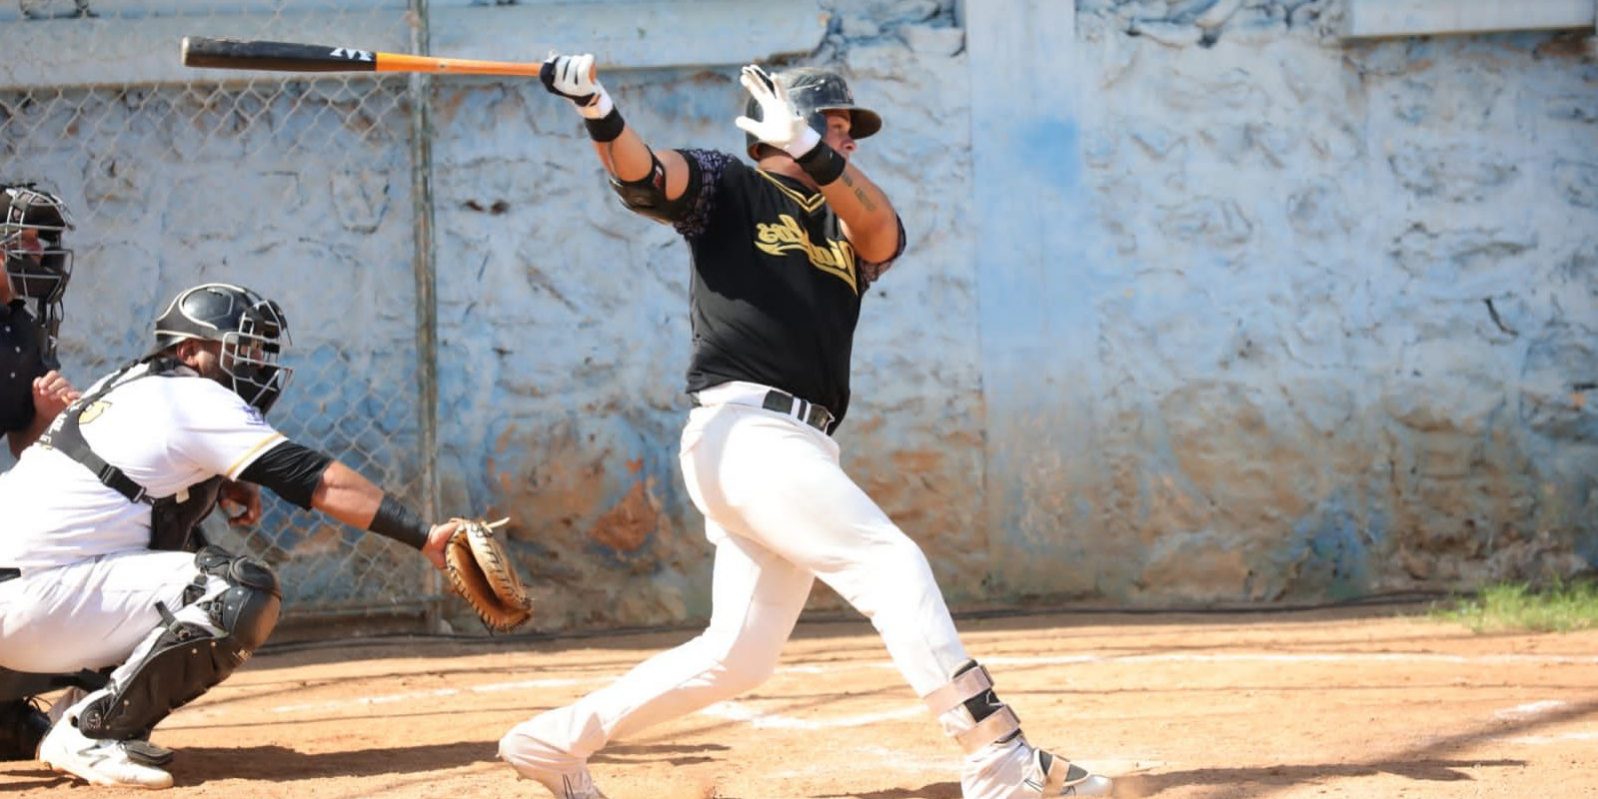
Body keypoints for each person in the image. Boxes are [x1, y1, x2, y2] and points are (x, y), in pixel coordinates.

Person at [498, 54, 1114, 798]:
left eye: (850, 133)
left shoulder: (843, 221)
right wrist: (596, 106)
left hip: (796, 445)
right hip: (747, 432)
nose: (849, 142)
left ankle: (552, 741)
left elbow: (884, 231)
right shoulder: (730, 185)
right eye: (836, 125)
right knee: (891, 565)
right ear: (772, 124)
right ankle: (997, 755)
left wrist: (814, 149)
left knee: (739, 656)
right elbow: (646, 177)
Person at [0, 282, 463, 789]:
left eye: (261, 351)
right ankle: (92, 729)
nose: (256, 365)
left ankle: (18, 723)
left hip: (21, 610)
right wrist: (425, 537)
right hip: (27, 609)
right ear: (186, 351)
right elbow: (317, 479)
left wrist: (221, 482)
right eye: (240, 349)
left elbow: (133, 484)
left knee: (176, 552)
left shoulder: (126, 384)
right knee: (236, 591)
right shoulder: (193, 394)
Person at [0, 182, 81, 763]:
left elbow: (26, 452)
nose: (37, 253)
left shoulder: (23, 331)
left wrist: (45, 418)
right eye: (22, 240)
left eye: (41, 241)